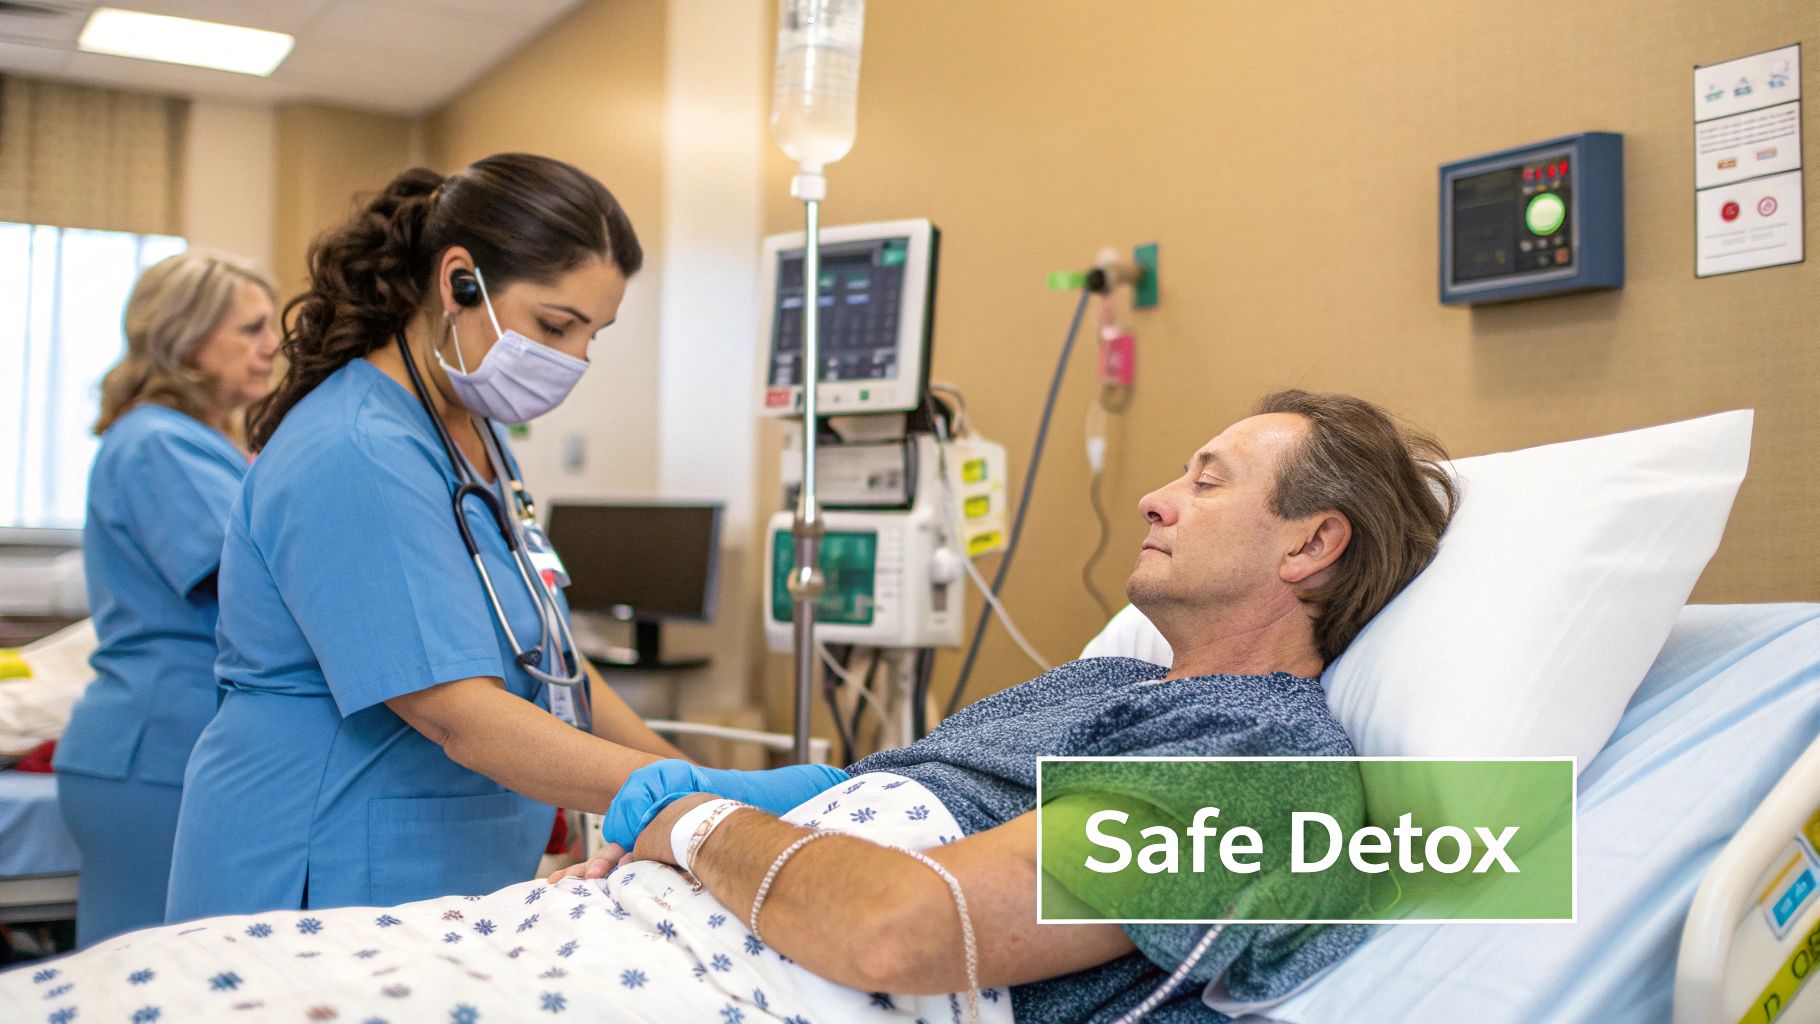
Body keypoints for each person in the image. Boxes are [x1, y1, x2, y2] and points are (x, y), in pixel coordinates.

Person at [568, 390, 1459, 1020]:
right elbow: (888, 793)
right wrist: (787, 801)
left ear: (1311, 543)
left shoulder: (1260, 761)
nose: (1155, 500)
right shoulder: (1104, 684)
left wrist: (697, 824)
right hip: (643, 931)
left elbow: (904, 929)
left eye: (1206, 482)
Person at [165, 154, 841, 922]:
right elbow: (462, 714)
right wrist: (704, 796)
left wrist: (685, 775)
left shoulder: (469, 433)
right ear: (458, 279)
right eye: (556, 324)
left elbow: (555, 663)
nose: (574, 357)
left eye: (593, 333)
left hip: (434, 859)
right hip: (320, 864)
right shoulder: (355, 450)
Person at [54, 251, 279, 945]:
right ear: (187, 340)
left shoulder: (207, 444)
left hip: (171, 742)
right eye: (251, 329)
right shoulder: (158, 443)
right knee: (143, 975)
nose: (273, 345)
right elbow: (256, 584)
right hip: (155, 749)